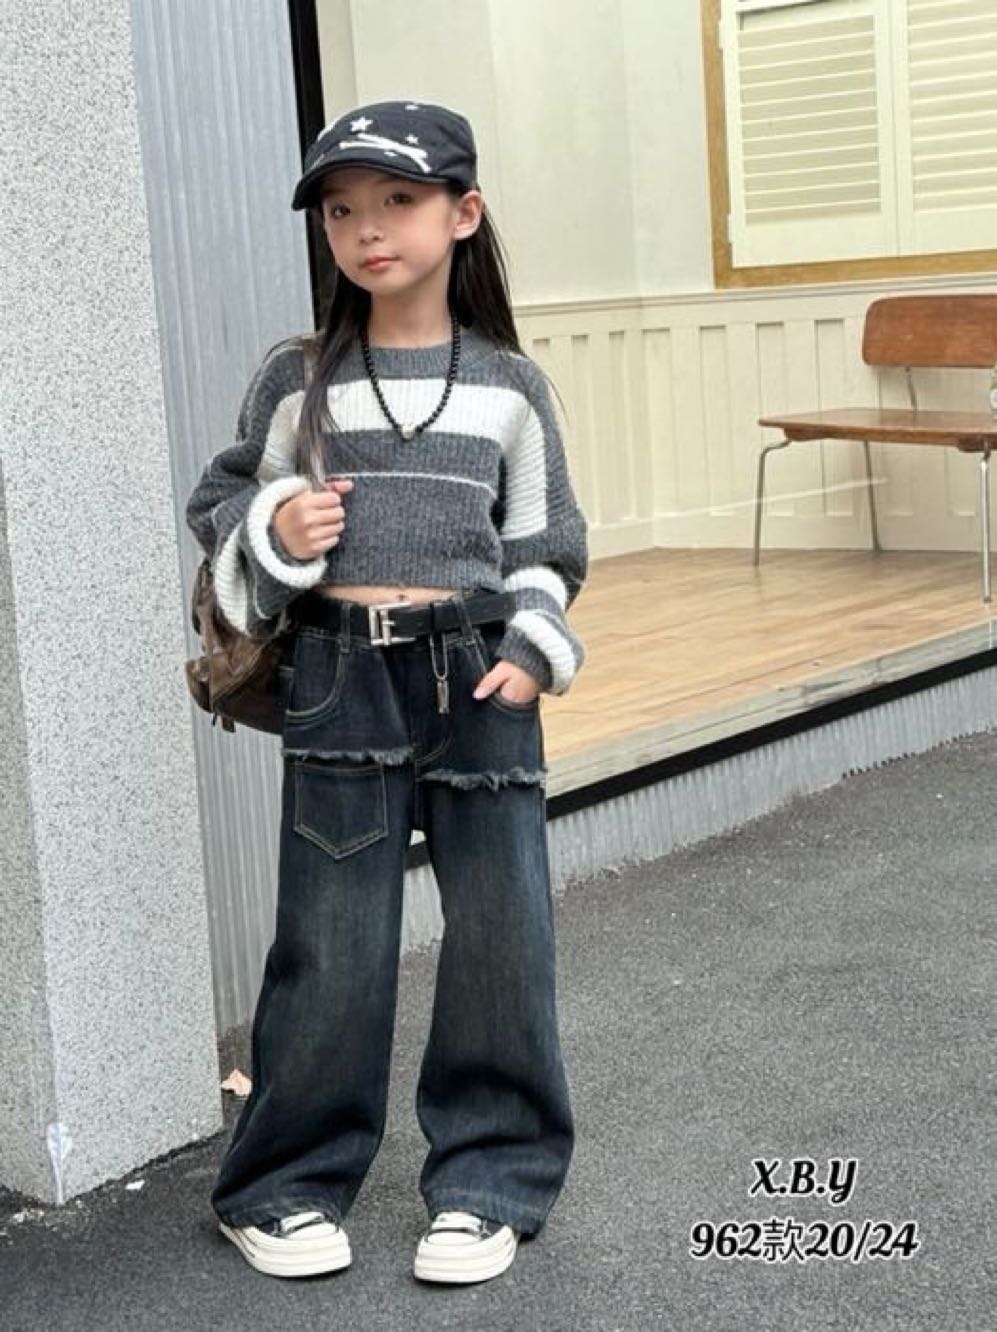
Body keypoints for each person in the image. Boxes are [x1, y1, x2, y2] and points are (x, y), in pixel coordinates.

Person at [185, 99, 588, 1286]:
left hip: (480, 674)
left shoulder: (510, 386)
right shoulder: (297, 377)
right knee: (333, 943)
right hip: (339, 676)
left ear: (463, 214)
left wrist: (535, 645)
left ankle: (489, 1183)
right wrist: (277, 525)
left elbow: (546, 546)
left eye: (398, 202)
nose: (366, 229)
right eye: (341, 210)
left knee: (504, 939)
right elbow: (220, 502)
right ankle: (282, 1185)